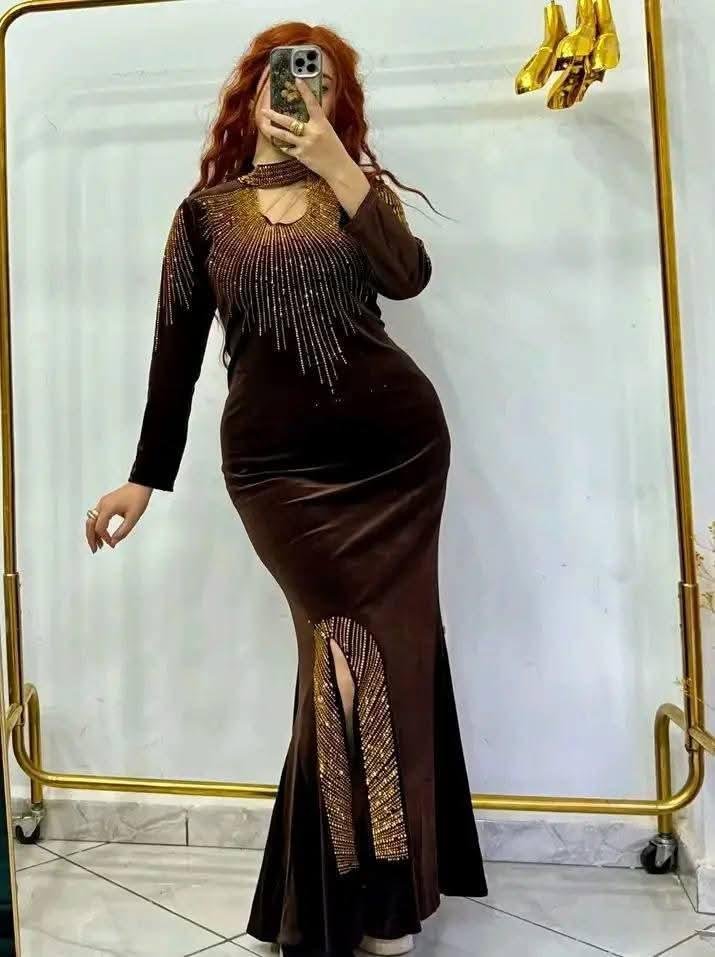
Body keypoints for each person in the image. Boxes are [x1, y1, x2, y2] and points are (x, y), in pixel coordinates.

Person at [84, 21, 487, 957]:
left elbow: (408, 278)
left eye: (321, 81)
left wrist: (340, 167)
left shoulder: (357, 193)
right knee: (343, 656)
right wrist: (145, 476)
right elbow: (176, 356)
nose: (298, 90)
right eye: (283, 75)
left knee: (382, 664)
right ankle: (362, 896)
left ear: (336, 101)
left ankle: (376, 900)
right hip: (277, 477)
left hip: (394, 461)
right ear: (253, 89)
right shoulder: (202, 217)